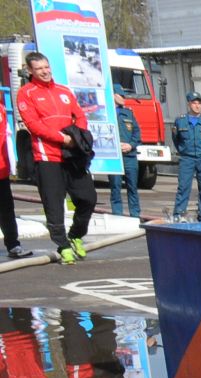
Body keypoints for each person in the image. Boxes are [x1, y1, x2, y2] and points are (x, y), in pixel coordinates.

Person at [17, 52, 97, 263]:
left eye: (47, 67)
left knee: (88, 198)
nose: (45, 71)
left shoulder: (63, 91)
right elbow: (34, 125)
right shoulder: (26, 93)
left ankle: (75, 236)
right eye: (39, 68)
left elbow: (79, 115)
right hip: (47, 156)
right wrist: (62, 139)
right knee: (54, 205)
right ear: (30, 71)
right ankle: (63, 246)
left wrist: (77, 136)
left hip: (72, 156)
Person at [171, 91, 201, 223]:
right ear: (189, 104)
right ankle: (179, 214)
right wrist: (184, 150)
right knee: (183, 186)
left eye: (199, 103)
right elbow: (176, 139)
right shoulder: (180, 121)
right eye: (194, 103)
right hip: (187, 158)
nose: (197, 106)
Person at [0, 91, 32, 258]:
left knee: (6, 209)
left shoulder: (1, 108)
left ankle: (13, 245)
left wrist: (11, 166)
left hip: (2, 169)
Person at [109, 92, 142, 220]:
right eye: (121, 95)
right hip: (115, 156)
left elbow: (137, 133)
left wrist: (131, 145)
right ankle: (117, 214)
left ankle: (135, 214)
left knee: (132, 186)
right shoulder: (107, 113)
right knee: (115, 186)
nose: (124, 98)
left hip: (129, 156)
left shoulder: (129, 113)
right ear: (113, 95)